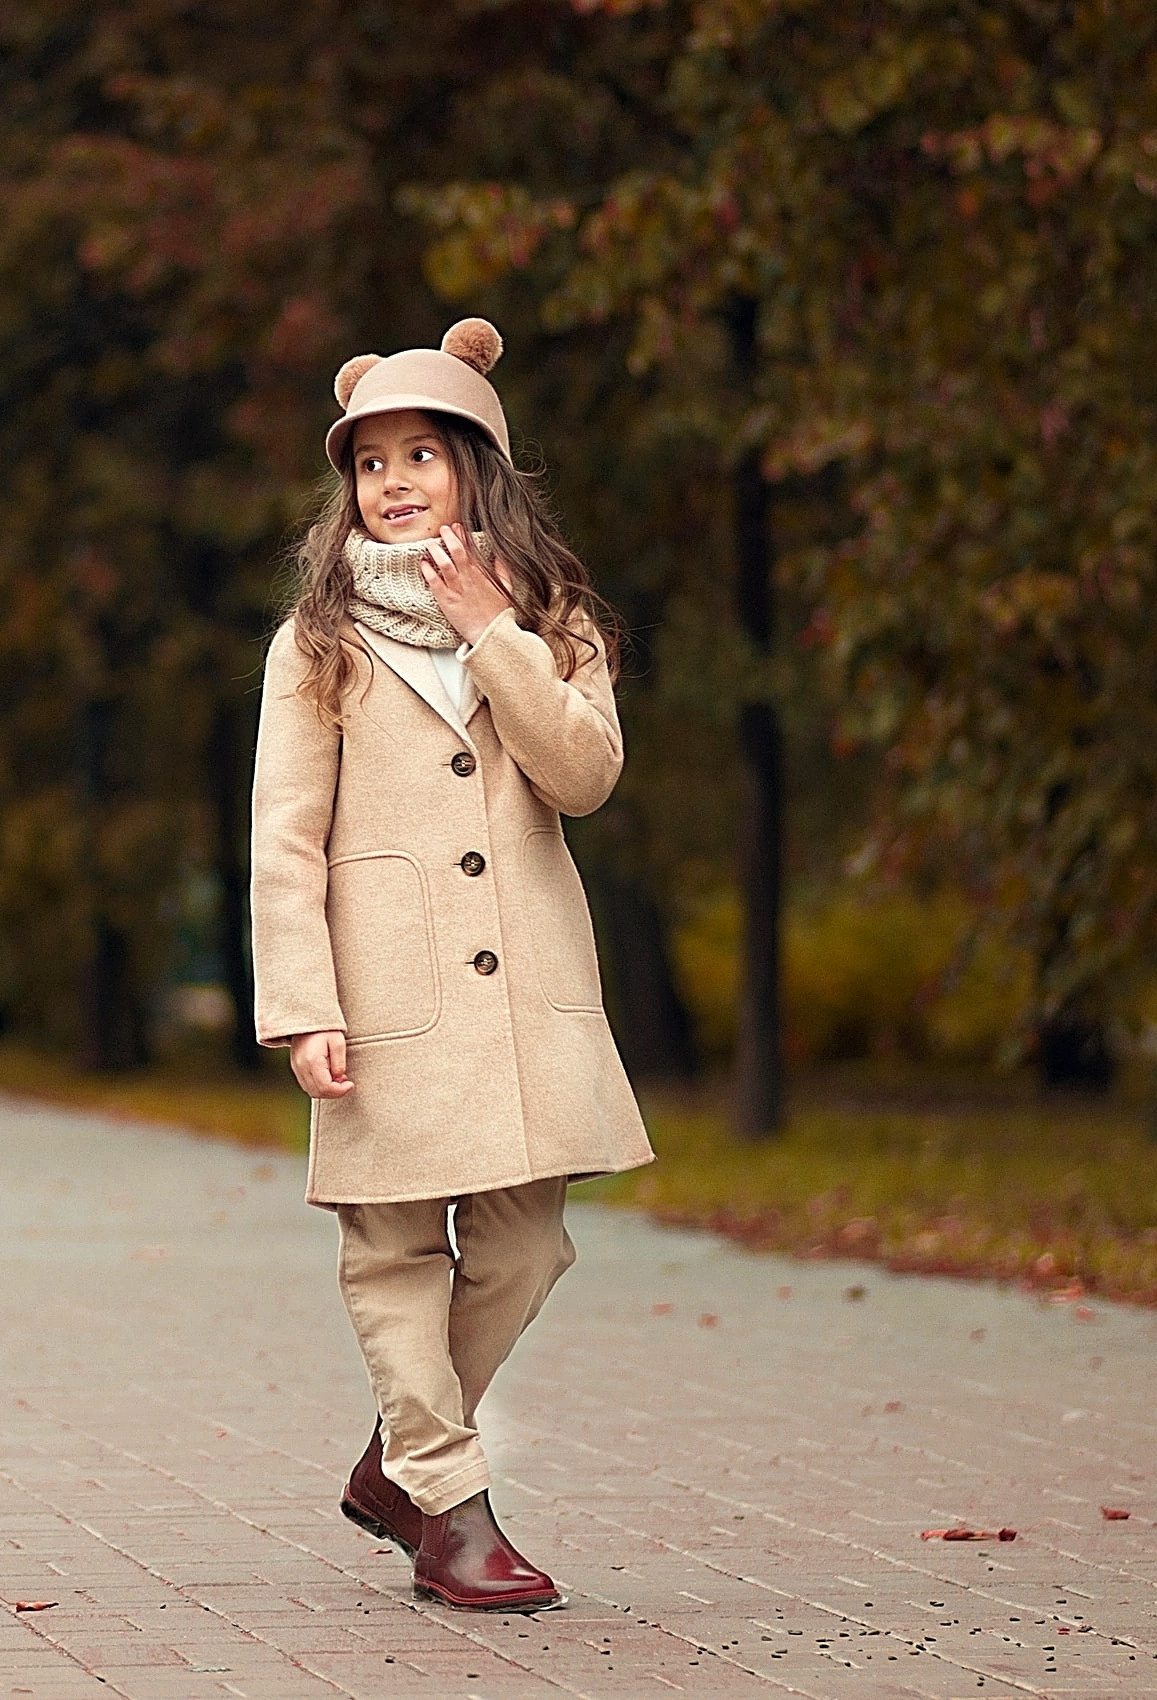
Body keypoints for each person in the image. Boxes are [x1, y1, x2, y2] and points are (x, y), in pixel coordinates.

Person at [249, 317, 655, 1611]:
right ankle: (454, 1510)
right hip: (383, 1000)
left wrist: (495, 634)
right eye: (371, 462)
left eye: (422, 452)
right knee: (391, 1256)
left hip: (524, 1000)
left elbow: (585, 776)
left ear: (477, 465)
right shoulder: (316, 640)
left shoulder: (554, 620)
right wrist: (301, 1004)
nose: (394, 480)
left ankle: (399, 1460)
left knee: (527, 1247)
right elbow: (284, 841)